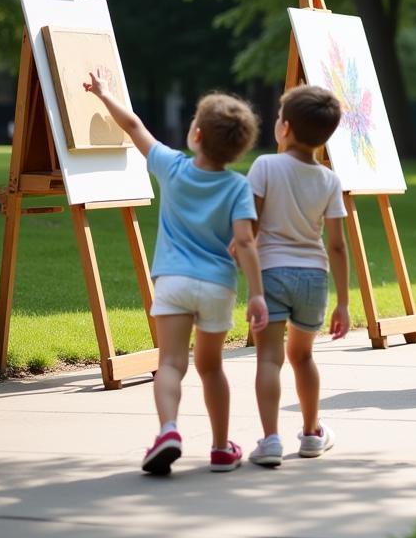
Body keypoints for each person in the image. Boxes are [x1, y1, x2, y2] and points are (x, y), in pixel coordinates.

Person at [83, 69, 267, 474]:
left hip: (173, 282)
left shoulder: (173, 168)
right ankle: (221, 448)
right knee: (212, 366)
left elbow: (133, 126)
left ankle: (168, 430)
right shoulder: (238, 187)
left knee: (170, 363)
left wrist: (103, 93)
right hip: (218, 286)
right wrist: (256, 293)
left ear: (196, 135)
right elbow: (247, 242)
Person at [246, 86, 351, 468]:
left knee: (269, 359)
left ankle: (271, 440)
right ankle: (311, 433)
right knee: (303, 356)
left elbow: (250, 228)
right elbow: (337, 246)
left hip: (272, 273)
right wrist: (343, 300)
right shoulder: (329, 180)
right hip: (314, 277)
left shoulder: (265, 168)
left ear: (284, 128)